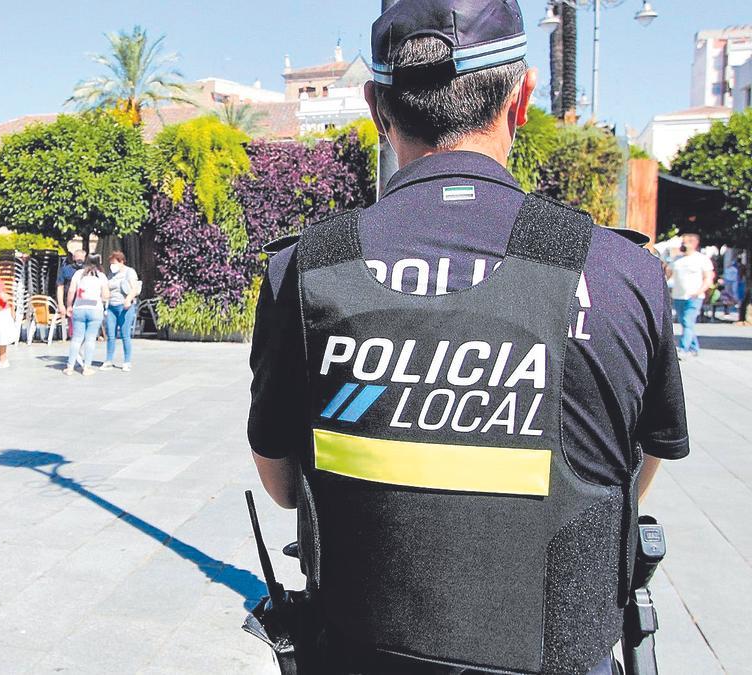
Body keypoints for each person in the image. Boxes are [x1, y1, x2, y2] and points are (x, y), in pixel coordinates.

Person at [247, 3, 689, 673]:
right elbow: (631, 476)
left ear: (375, 106)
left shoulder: (307, 270)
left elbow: (282, 485)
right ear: (523, 98)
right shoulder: (623, 272)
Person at [667, 233, 714, 357]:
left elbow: (708, 278)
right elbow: (667, 274)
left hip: (693, 297)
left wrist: (699, 291)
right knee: (684, 322)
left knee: (687, 322)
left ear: (694, 244)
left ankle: (683, 349)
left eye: (685, 242)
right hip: (678, 296)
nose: (682, 245)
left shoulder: (702, 259)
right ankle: (694, 348)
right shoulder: (677, 259)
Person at [64, 254, 109, 375]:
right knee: (90, 339)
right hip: (95, 309)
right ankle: (87, 367)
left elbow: (71, 291)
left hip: (79, 308)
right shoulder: (101, 276)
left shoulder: (78, 274)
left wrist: (69, 306)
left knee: (76, 338)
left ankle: (70, 367)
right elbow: (105, 296)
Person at [100, 250, 140, 371]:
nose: (112, 265)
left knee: (124, 334)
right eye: (111, 263)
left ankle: (127, 361)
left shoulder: (129, 272)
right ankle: (108, 360)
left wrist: (128, 300)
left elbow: (135, 288)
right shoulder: (111, 274)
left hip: (124, 307)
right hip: (112, 306)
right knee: (111, 335)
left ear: (121, 261)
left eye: (114, 262)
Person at [57, 249, 85, 319]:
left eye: (81, 258)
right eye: (77, 258)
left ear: (84, 258)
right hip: (70, 303)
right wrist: (61, 304)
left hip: (84, 304)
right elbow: (60, 287)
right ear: (73, 258)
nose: (79, 260)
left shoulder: (88, 271)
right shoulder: (66, 270)